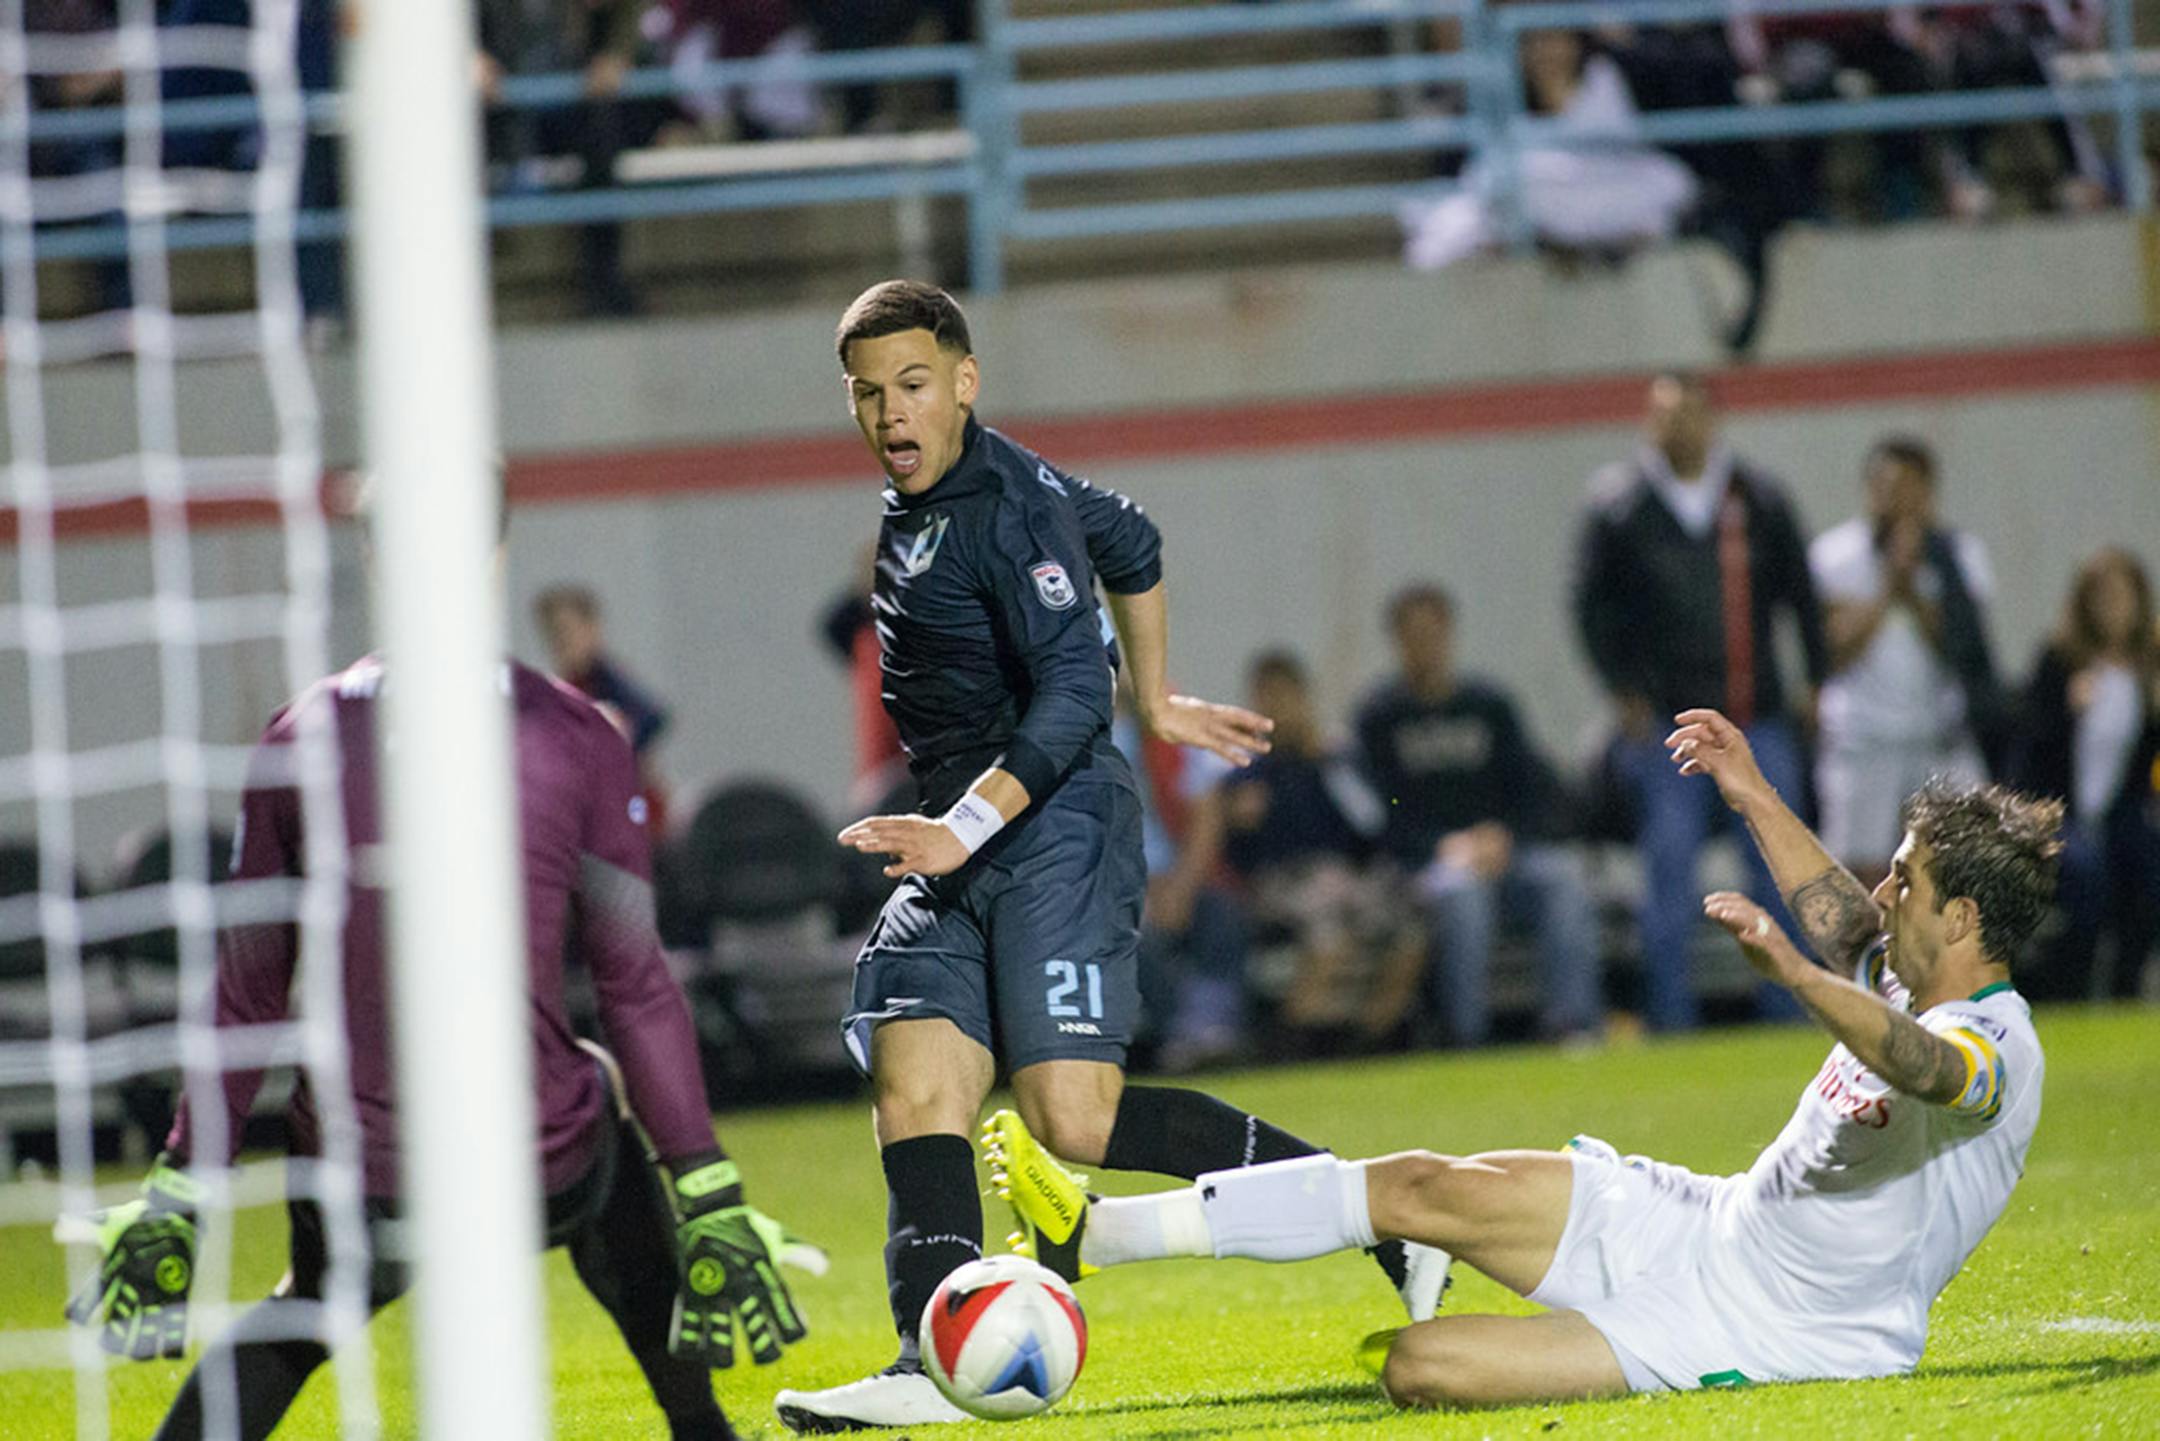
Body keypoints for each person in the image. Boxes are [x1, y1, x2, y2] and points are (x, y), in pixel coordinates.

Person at [774, 280, 1445, 1432]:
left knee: (1073, 1123)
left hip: (1050, 832)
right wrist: (1166, 696)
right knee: (916, 1079)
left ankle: (1378, 1213)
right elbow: (1131, 536)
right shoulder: (943, 493)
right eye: (869, 393)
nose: (892, 412)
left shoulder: (1006, 508)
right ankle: (922, 1363)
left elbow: (1075, 693)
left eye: (916, 386)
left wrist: (1089, 735)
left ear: (965, 384)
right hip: (960, 830)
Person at [988, 707, 2060, 1408]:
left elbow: (1922, 1067)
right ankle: (1094, 1234)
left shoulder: (1990, 1044)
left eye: (1907, 882)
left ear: (1962, 917)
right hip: (1703, 1219)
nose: (1884, 892)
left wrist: (1792, 976)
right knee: (1414, 1182)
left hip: (1778, 1322)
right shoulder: (1907, 971)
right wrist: (1747, 790)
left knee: (1421, 1368)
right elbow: (1841, 919)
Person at [63, 638, 811, 1440]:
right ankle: (701, 1427)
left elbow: (248, 989)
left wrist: (183, 1180)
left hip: (365, 1171)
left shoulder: (300, 733)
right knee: (605, 1129)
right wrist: (704, 1183)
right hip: (535, 1165)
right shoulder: (573, 729)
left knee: (312, 1299)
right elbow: (634, 981)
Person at [1573, 372, 1829, 1029]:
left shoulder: (1757, 497)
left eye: (1687, 413)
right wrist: (1621, 687)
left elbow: (1800, 596)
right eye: (1662, 414)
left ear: (1712, 419)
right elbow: (1588, 605)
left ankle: (1794, 1009)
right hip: (1672, 723)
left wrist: (1816, 681)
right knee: (1671, 872)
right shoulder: (1621, 504)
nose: (1675, 427)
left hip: (1755, 714)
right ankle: (1672, 1019)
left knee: (1781, 868)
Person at [1355, 585, 1602, 1047]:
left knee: (1564, 882)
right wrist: (1439, 846)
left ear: (1449, 634)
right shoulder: (1380, 718)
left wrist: (1504, 837)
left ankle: (1573, 1025)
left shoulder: (1489, 707)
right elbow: (1378, 808)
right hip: (1426, 867)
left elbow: (1532, 788)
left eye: (1433, 633)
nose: (1424, 646)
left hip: (1502, 855)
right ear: (1397, 641)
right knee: (1465, 900)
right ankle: (1466, 1036)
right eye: (1413, 636)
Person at [1183, 650, 1425, 1050]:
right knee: (1328, 932)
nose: (1278, 706)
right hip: (1282, 882)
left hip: (1348, 877)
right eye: (1267, 696)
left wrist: (1329, 765)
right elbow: (1237, 854)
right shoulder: (1245, 767)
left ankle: (1371, 1038)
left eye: (1285, 695)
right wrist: (1242, 820)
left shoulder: (1334, 759)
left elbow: (1373, 824)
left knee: (1410, 928)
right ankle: (1291, 1041)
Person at [1810, 435, 1999, 882]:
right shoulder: (1834, 556)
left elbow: (1964, 649)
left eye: (1908, 487)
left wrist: (1914, 588)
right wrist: (1887, 586)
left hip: (1939, 736)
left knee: (1969, 859)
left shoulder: (1959, 556)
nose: (1895, 500)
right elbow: (1829, 652)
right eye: (1885, 486)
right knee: (1861, 875)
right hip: (1863, 740)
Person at [2008, 548, 2160, 1002]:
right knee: (2085, 877)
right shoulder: (2060, 660)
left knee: (2150, 870)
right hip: (2059, 809)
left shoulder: (2147, 669)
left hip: (2120, 810)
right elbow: (2029, 746)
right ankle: (2069, 988)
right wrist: (2067, 710)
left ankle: (2125, 987)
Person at [536, 583, 674, 834]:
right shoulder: (565, 689)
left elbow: (651, 718)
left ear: (591, 628)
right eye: (554, 635)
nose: (561, 643)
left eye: (568, 632)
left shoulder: (607, 683)